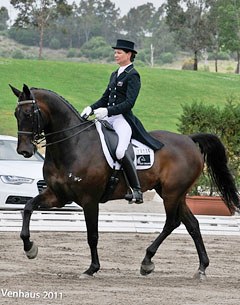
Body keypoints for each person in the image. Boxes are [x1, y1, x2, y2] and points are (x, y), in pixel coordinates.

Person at [81, 39, 163, 203]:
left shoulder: (133, 75)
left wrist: (108, 111)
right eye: (115, 52)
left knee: (120, 151)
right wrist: (91, 107)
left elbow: (129, 103)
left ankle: (136, 190)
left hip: (121, 119)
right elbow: (105, 98)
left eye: (119, 52)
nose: (115, 55)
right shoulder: (115, 74)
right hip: (107, 118)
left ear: (129, 54)